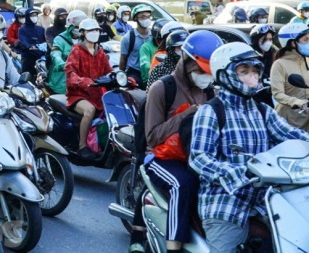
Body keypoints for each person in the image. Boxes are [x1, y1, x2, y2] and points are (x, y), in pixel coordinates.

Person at [190, 42, 309, 252]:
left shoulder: (263, 110)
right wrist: (238, 173)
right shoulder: (211, 111)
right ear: (225, 75)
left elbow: (294, 136)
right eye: (244, 72)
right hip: (225, 201)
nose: (252, 77)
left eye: (255, 71)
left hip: (267, 201)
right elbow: (199, 157)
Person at [129, 30, 222, 253]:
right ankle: (173, 246)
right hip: (160, 156)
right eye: (200, 71)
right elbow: (153, 136)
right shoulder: (163, 88)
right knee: (183, 183)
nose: (205, 76)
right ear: (188, 63)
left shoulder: (208, 91)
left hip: (193, 154)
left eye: (208, 72)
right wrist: (186, 114)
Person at [64, 18, 112, 160]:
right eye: (91, 30)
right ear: (83, 33)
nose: (95, 33)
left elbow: (108, 71)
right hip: (78, 95)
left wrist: (120, 77)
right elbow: (70, 71)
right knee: (89, 110)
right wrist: (83, 81)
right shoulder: (77, 50)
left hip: (97, 94)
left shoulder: (100, 51)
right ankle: (82, 146)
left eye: (97, 30)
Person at [270, 23, 309, 131]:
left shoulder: (306, 60)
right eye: (306, 40)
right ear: (292, 43)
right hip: (290, 119)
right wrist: (296, 102)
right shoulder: (280, 64)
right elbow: (277, 94)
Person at [47, 10, 86, 94]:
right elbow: (55, 53)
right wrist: (62, 64)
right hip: (62, 77)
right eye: (76, 27)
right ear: (70, 25)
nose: (79, 29)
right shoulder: (60, 39)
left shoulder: (85, 39)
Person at [119, 4, 153, 87]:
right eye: (143, 17)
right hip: (134, 71)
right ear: (135, 18)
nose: (146, 20)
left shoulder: (154, 35)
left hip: (150, 70)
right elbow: (123, 58)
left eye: (148, 17)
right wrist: (121, 76)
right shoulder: (128, 38)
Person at [249, 24, 276, 107]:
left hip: (270, 95)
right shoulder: (250, 55)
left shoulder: (272, 53)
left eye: (270, 39)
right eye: (265, 39)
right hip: (254, 97)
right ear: (256, 40)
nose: (268, 42)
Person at [139, 19, 168, 86]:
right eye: (160, 38)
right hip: (151, 81)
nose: (162, 42)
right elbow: (145, 67)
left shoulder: (171, 48)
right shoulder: (146, 47)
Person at [18, 7, 46, 76]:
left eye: (35, 15)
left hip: (40, 57)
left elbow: (46, 41)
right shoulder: (22, 29)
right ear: (27, 17)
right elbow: (23, 41)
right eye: (32, 15)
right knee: (27, 77)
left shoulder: (41, 29)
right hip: (28, 57)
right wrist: (29, 46)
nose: (34, 17)